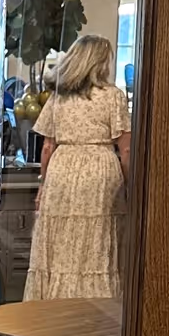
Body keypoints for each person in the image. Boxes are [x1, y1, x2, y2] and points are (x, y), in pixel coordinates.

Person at [24, 33, 131, 303]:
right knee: (97, 235)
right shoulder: (113, 96)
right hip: (99, 168)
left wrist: (43, 185)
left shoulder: (60, 97)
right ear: (100, 62)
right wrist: (131, 183)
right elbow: (126, 148)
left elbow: (47, 147)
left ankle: (53, 304)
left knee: (59, 237)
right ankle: (95, 306)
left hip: (62, 167)